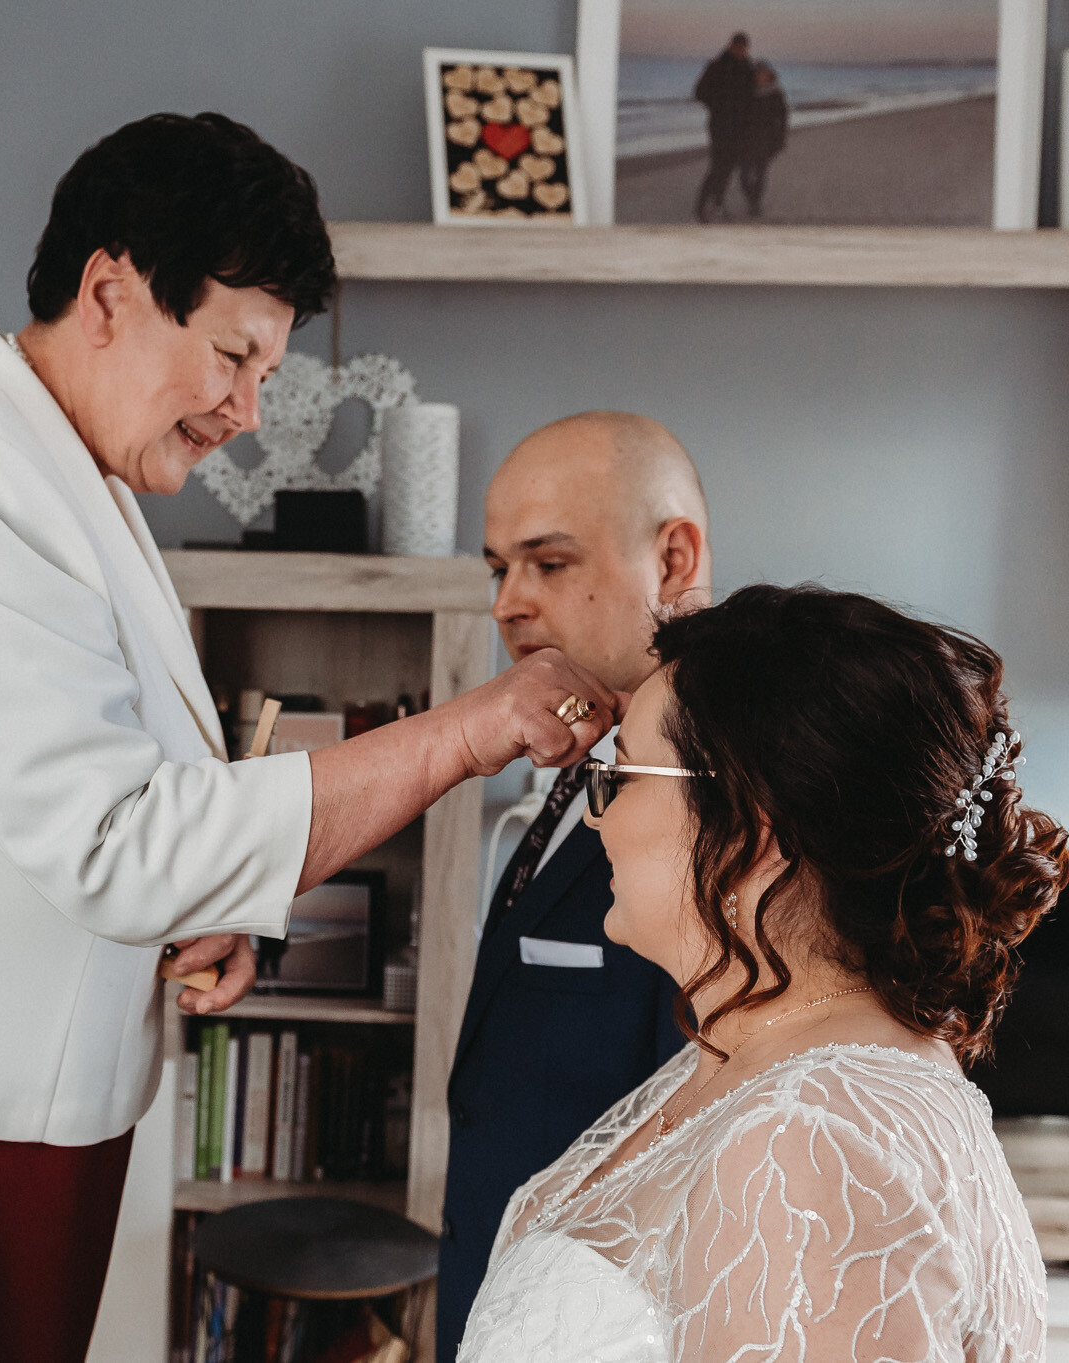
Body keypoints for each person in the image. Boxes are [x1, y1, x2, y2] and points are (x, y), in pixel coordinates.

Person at [0, 112, 618, 1363]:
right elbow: (112, 839)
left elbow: (85, 792)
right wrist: (465, 729)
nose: (248, 411)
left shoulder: (67, 469)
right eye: (234, 357)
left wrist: (204, 902)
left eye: (267, 374)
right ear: (107, 293)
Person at [458, 584, 1068, 1363]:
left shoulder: (811, 1143)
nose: (594, 813)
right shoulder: (758, 1051)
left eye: (623, 775)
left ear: (751, 827)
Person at [437, 412, 709, 1363]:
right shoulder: (574, 760)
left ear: (673, 559)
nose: (507, 603)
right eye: (497, 569)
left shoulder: (716, 810)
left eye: (548, 563)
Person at [692, 33, 756, 223]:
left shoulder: (748, 68)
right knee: (718, 166)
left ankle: (718, 204)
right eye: (738, 47)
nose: (741, 50)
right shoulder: (717, 66)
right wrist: (720, 106)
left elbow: (752, 97)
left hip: (741, 127)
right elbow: (699, 93)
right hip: (720, 125)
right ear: (731, 46)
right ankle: (701, 207)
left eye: (744, 48)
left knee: (728, 168)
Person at [739, 61, 789, 219]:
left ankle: (755, 203)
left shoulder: (775, 93)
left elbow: (783, 117)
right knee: (744, 175)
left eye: (763, 73)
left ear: (769, 75)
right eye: (757, 73)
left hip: (766, 139)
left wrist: (781, 138)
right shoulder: (746, 91)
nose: (760, 76)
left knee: (760, 172)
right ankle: (751, 197)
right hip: (746, 139)